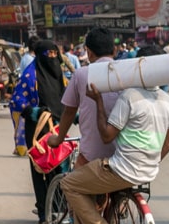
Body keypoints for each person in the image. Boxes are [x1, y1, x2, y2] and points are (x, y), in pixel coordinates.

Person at [57, 45, 169, 224]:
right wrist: (146, 163)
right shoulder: (167, 100)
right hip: (148, 171)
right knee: (88, 184)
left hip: (121, 169)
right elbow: (167, 145)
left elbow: (106, 136)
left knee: (70, 184)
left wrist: (99, 102)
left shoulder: (130, 96)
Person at [48, 28, 121, 186]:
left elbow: (69, 111)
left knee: (71, 187)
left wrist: (59, 138)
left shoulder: (82, 75)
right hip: (125, 154)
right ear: (114, 50)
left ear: (89, 52)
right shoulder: (127, 72)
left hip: (92, 155)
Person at [10, 38, 68, 224]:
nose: (52, 57)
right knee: (40, 168)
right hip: (36, 128)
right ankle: (44, 212)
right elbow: (16, 100)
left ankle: (58, 206)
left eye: (54, 54)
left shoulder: (60, 74)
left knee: (59, 165)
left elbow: (66, 97)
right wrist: (32, 112)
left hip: (58, 126)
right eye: (48, 54)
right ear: (40, 55)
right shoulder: (30, 75)